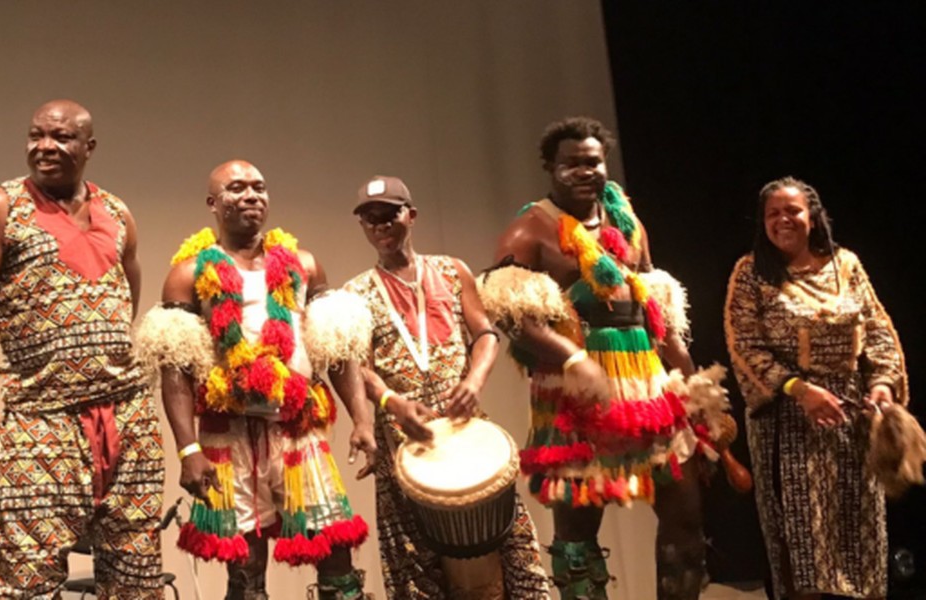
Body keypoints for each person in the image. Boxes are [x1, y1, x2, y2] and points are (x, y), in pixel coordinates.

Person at [488, 117, 720, 600]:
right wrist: (574, 360)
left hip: (646, 382)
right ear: (551, 168)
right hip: (575, 388)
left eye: (592, 162)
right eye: (571, 164)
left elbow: (656, 305)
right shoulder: (530, 229)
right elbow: (511, 315)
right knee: (577, 530)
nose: (583, 172)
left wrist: (693, 386)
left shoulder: (627, 220)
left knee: (686, 515)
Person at [0, 99, 164, 598]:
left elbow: (125, 297)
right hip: (41, 418)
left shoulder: (118, 212)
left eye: (61, 137)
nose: (45, 146)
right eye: (36, 135)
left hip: (128, 417)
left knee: (135, 574)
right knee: (27, 575)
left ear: (88, 147)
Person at [137, 160, 376, 600]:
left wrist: (362, 419)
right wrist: (188, 449)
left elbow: (337, 351)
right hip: (227, 435)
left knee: (336, 555)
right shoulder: (188, 274)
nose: (251, 196)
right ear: (213, 204)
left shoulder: (302, 265)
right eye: (236, 188)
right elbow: (176, 370)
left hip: (296, 430)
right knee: (246, 576)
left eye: (259, 188)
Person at [341, 175, 551, 599]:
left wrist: (474, 382)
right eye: (370, 218)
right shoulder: (355, 293)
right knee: (415, 567)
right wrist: (390, 401)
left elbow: (486, 334)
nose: (380, 225)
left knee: (514, 554)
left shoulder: (452, 271)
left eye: (390, 214)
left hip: (464, 430)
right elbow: (358, 368)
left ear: (411, 216)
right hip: (403, 438)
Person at [725, 176, 908, 599]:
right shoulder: (751, 274)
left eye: (792, 211)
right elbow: (744, 346)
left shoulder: (846, 266)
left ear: (812, 216)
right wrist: (799, 390)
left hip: (852, 414)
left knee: (858, 537)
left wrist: (881, 383)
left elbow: (879, 331)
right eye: (773, 213)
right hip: (790, 419)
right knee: (805, 547)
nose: (782, 220)